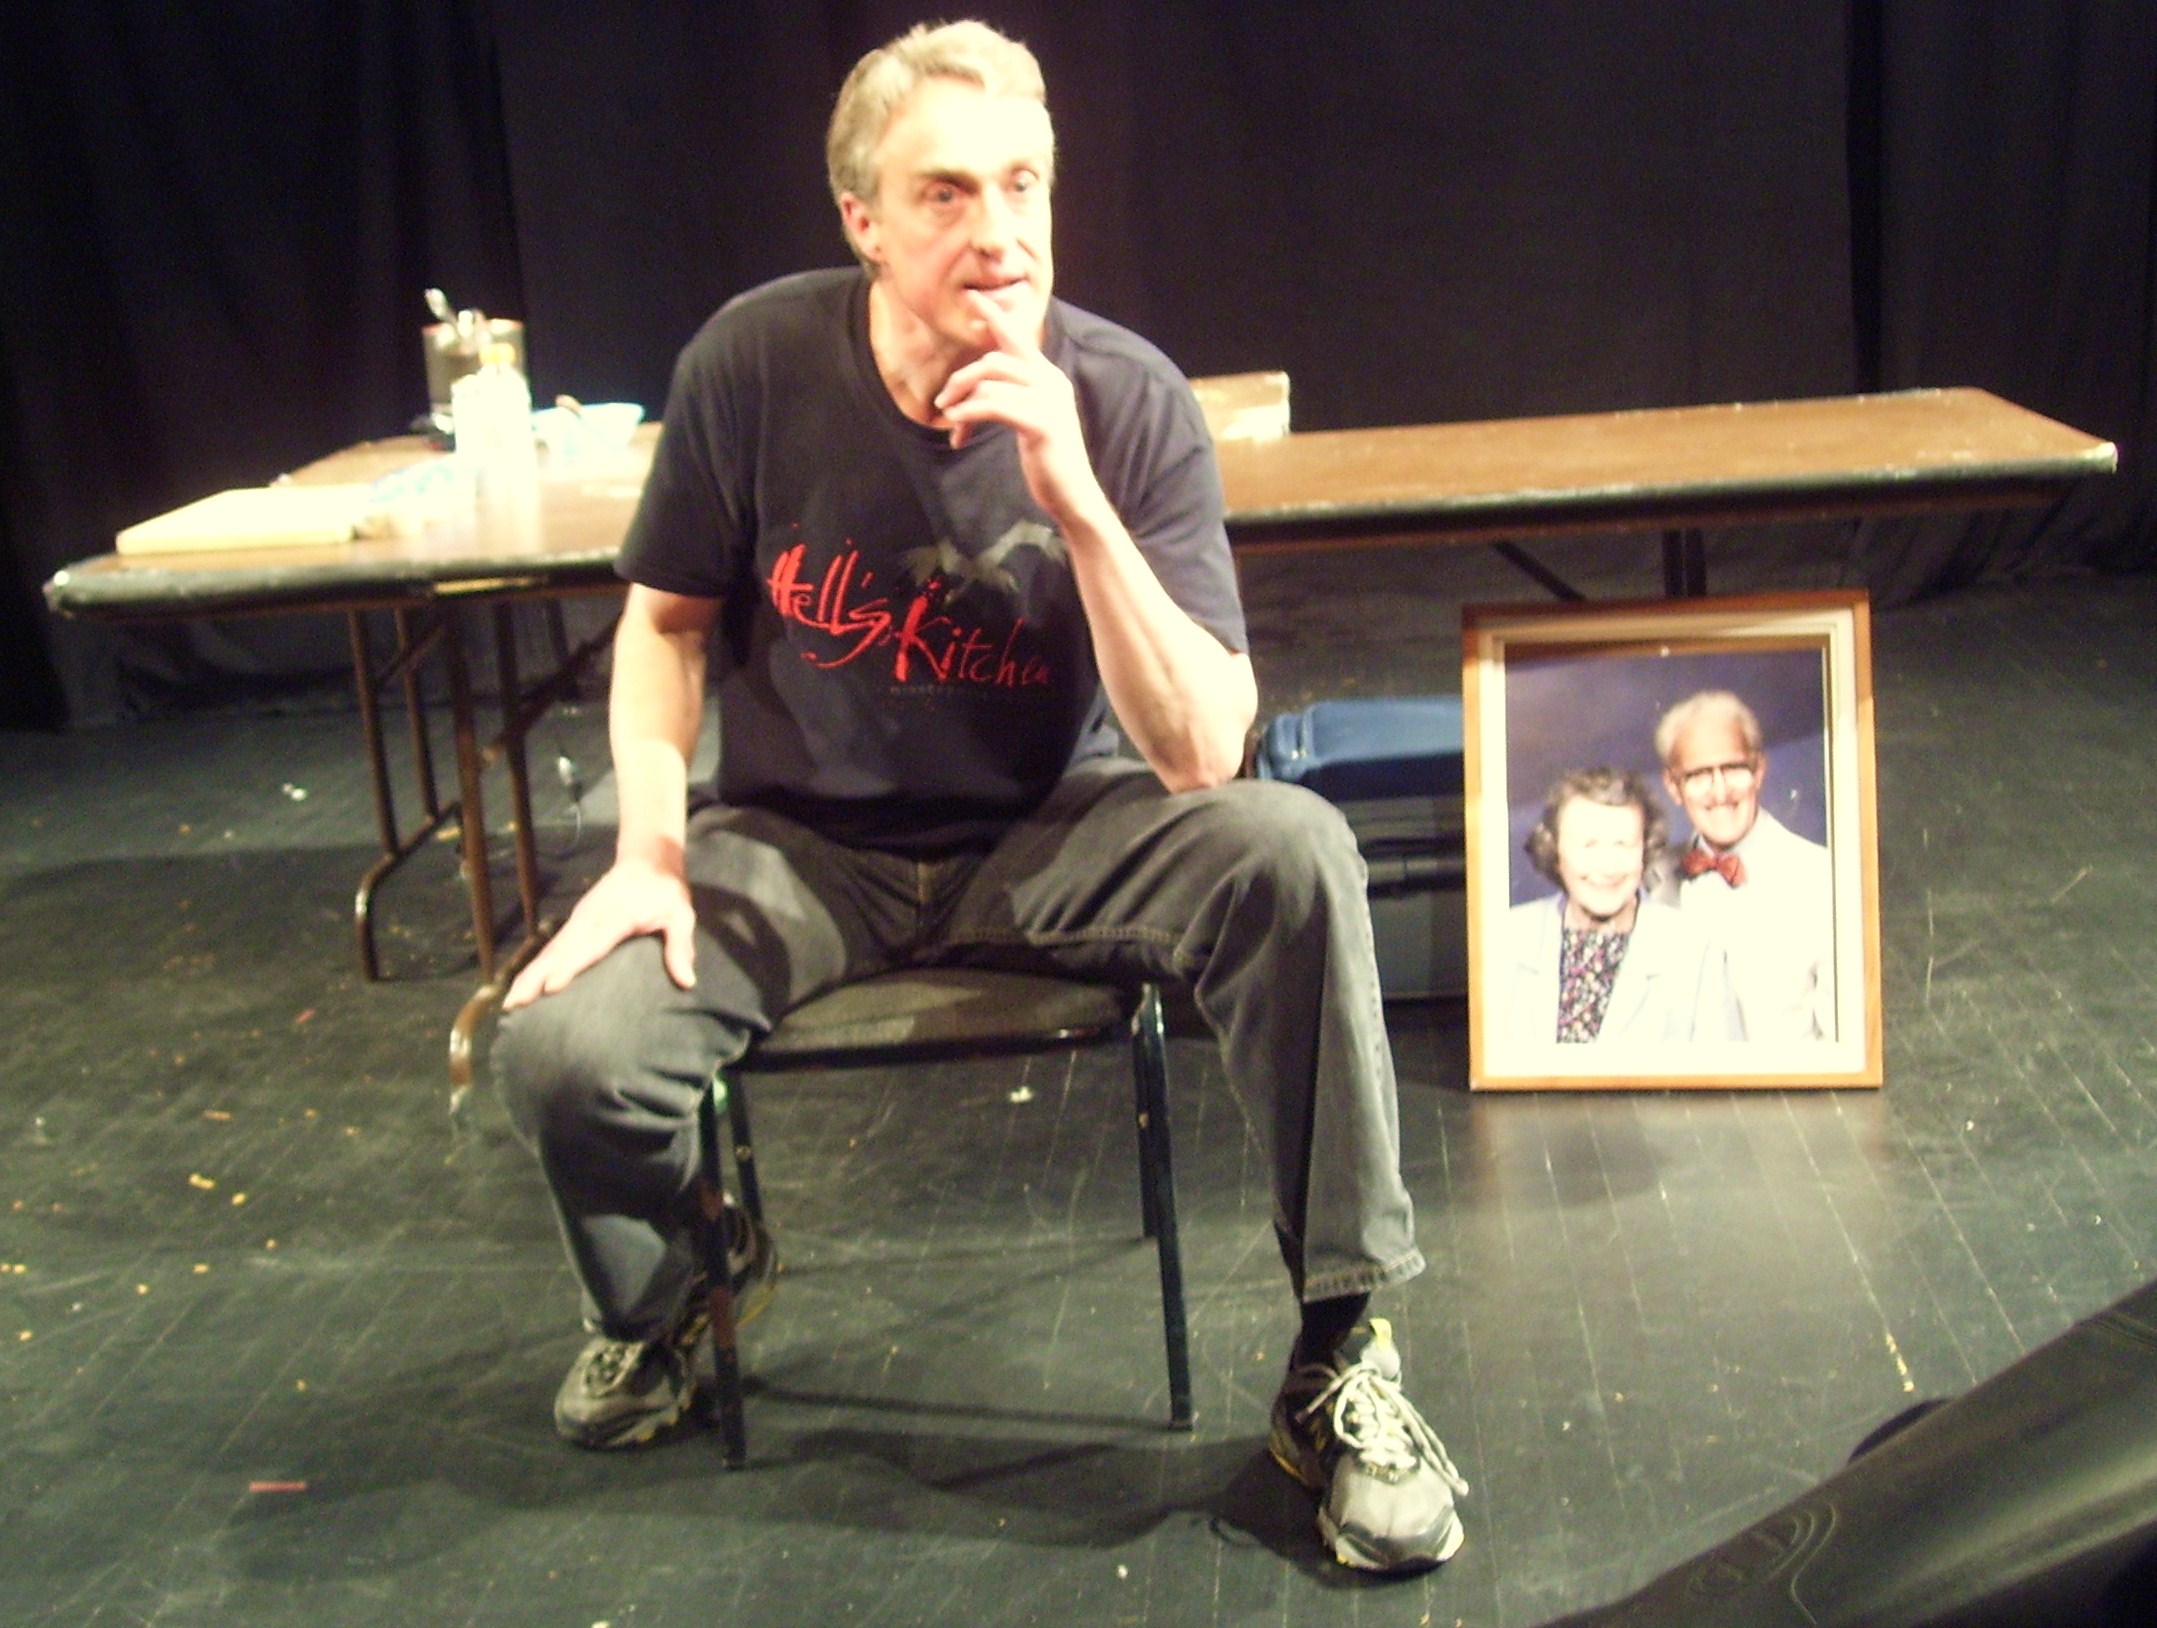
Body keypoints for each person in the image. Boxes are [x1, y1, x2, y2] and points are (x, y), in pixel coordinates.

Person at [491, 20, 1467, 1575]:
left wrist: (1076, 501)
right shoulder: (751, 365)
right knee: (564, 1051)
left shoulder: (1126, 398)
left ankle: (1339, 1352)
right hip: (806, 845)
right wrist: (650, 853)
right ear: (863, 221)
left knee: (1292, 850)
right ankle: (679, 1288)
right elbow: (663, 628)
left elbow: (1202, 753)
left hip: (1056, 832)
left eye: (1024, 184)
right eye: (945, 193)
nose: (998, 230)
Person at [1502, 768, 1737, 1044]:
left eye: (1623, 845)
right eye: (1588, 845)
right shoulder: (1507, 938)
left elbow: (1722, 1068)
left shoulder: (1697, 953)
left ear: (1645, 849)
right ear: (1554, 850)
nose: (1607, 867)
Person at [1651, 690, 1836, 1041]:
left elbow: (1846, 1049)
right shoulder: (1645, 880)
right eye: (1699, 774)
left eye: (1733, 768)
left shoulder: (1823, 878)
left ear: (1759, 770)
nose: (1720, 792)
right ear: (1673, 787)